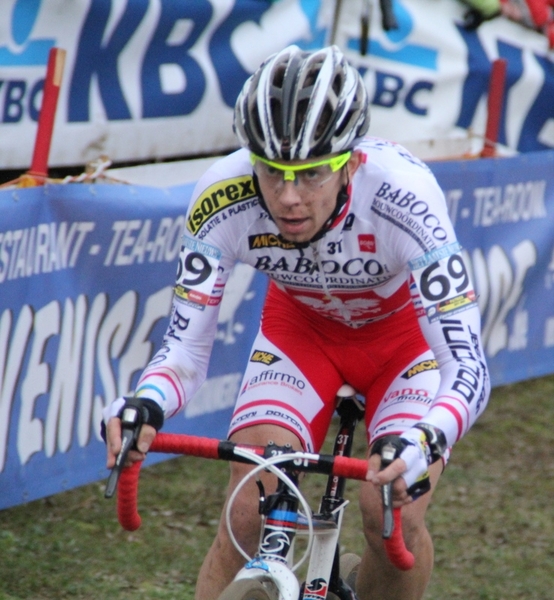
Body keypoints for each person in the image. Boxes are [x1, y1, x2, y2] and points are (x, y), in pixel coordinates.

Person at [103, 45, 490, 600]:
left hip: (405, 347)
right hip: (300, 333)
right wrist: (146, 403)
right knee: (247, 511)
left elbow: (467, 363)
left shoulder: (405, 197)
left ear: (351, 163)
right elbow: (184, 353)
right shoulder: (221, 197)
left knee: (389, 516)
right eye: (271, 171)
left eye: (310, 173)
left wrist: (425, 439)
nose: (288, 197)